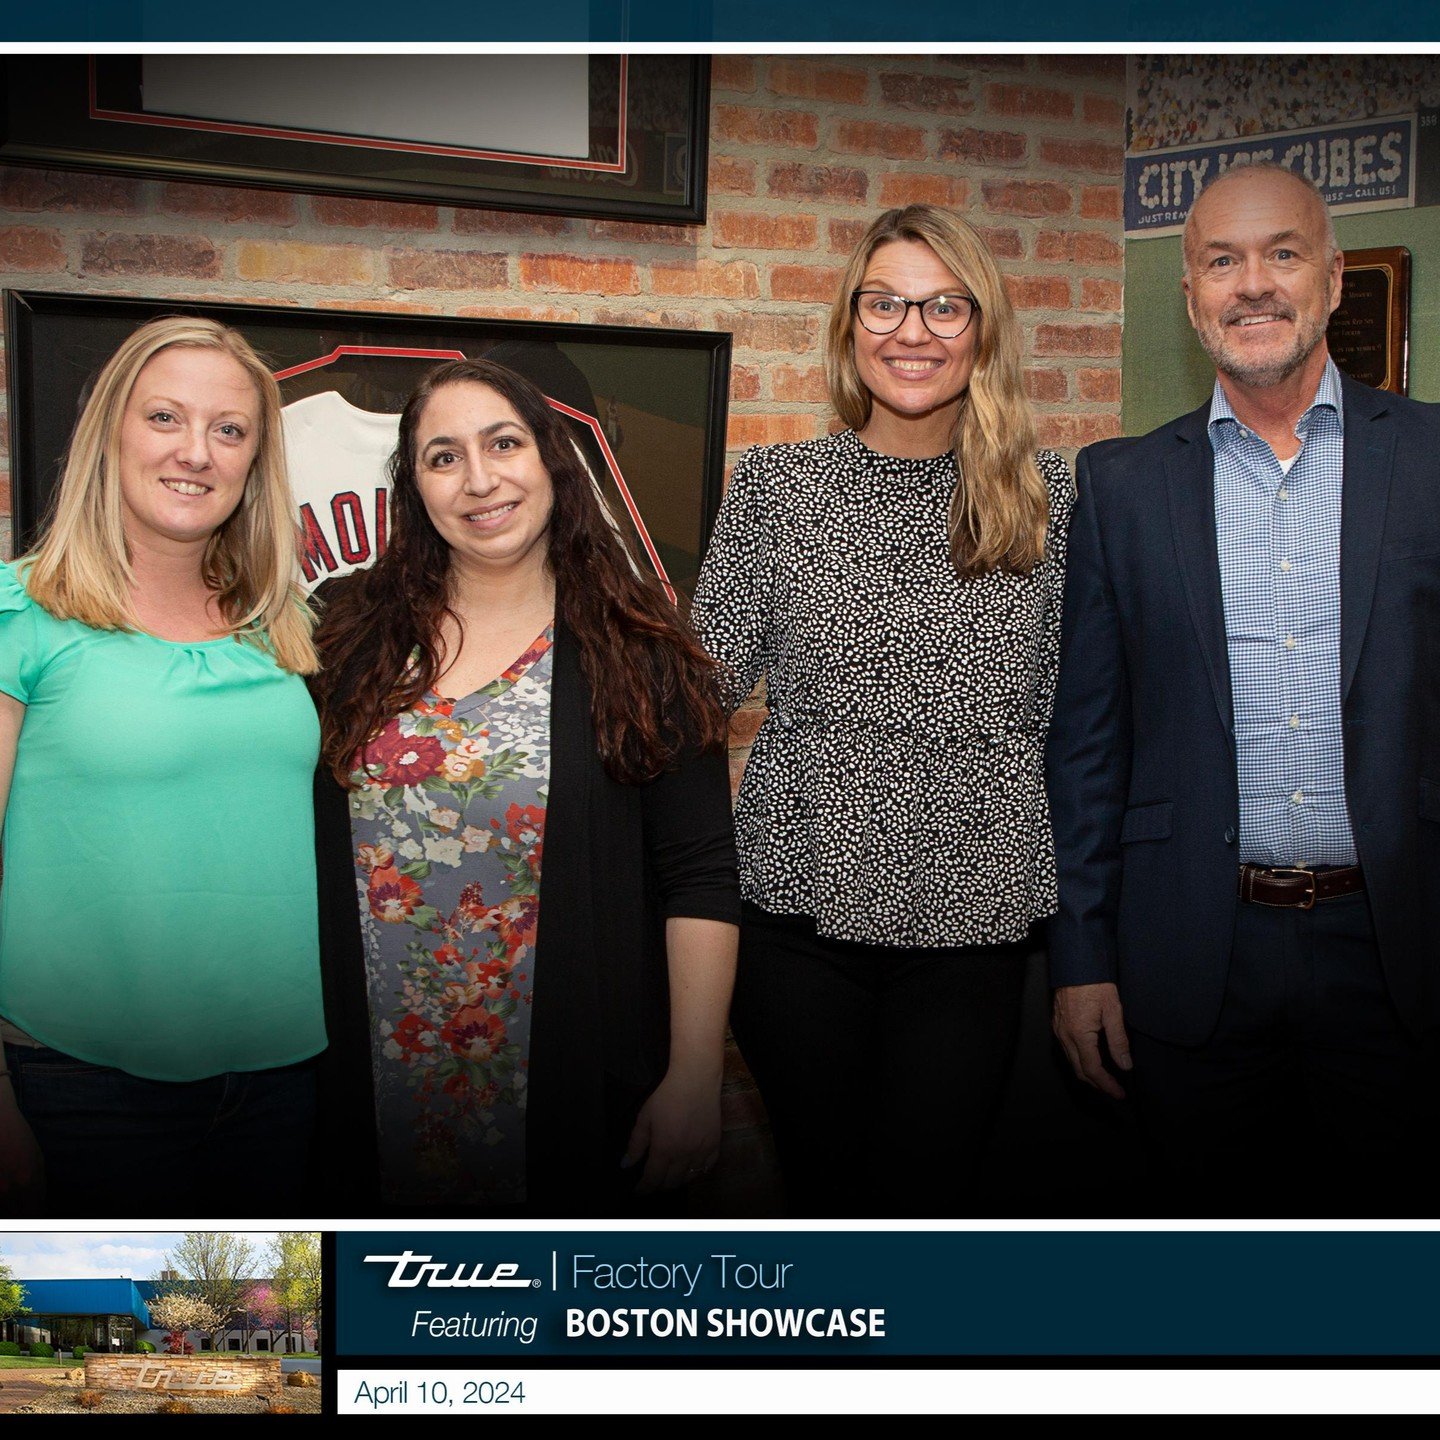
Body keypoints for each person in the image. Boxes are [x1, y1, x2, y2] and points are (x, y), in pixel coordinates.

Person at [1047, 163, 1440, 1210]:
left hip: (1400, 958)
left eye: (1281, 254)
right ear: (1190, 295)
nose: (1252, 284)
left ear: (1334, 277)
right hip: (1190, 961)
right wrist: (1081, 956)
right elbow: (1087, 746)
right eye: (1222, 260)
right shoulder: (1121, 487)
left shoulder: (1434, 460)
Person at [693, 204, 1074, 1217]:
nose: (913, 331)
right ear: (850, 325)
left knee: (928, 1202)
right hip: (797, 921)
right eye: (887, 303)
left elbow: (1093, 721)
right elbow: (695, 692)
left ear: (982, 326)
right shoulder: (778, 487)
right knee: (825, 1196)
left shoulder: (1051, 498)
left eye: (944, 305)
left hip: (976, 932)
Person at [309, 358, 738, 1214]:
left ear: (551, 461)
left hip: (576, 1077)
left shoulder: (641, 651)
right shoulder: (346, 632)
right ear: (415, 487)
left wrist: (694, 1077)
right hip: (369, 1081)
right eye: (443, 456)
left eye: (503, 443)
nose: (479, 479)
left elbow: (699, 876)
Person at [0, 315, 325, 1211]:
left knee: (267, 1337)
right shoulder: (21, 614)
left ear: (256, 462)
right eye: (165, 419)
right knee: (113, 1347)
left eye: (230, 430)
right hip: (79, 1083)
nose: (198, 452)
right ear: (110, 431)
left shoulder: (283, 628)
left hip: (280, 1074)